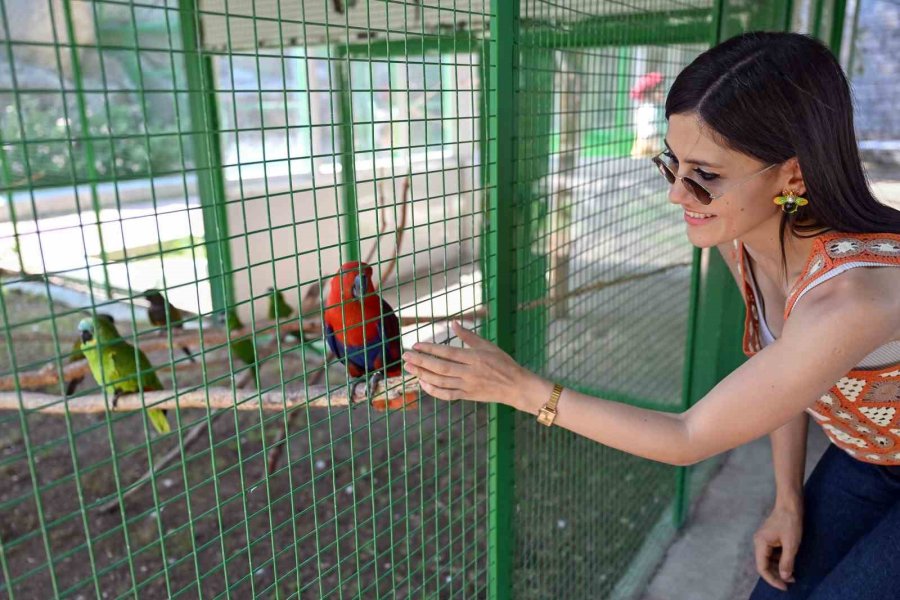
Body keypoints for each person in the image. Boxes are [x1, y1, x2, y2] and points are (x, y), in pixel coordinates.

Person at [402, 31, 900, 599]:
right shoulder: (744, 239)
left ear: (792, 175)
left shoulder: (849, 298)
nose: (676, 195)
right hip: (870, 455)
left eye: (705, 176)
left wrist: (519, 389)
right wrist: (787, 501)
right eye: (673, 164)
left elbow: (687, 435)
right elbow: (785, 375)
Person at [630, 71, 666, 158]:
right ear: (650, 92)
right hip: (646, 142)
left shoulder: (651, 106)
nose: (662, 93)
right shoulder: (646, 108)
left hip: (650, 141)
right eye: (659, 90)